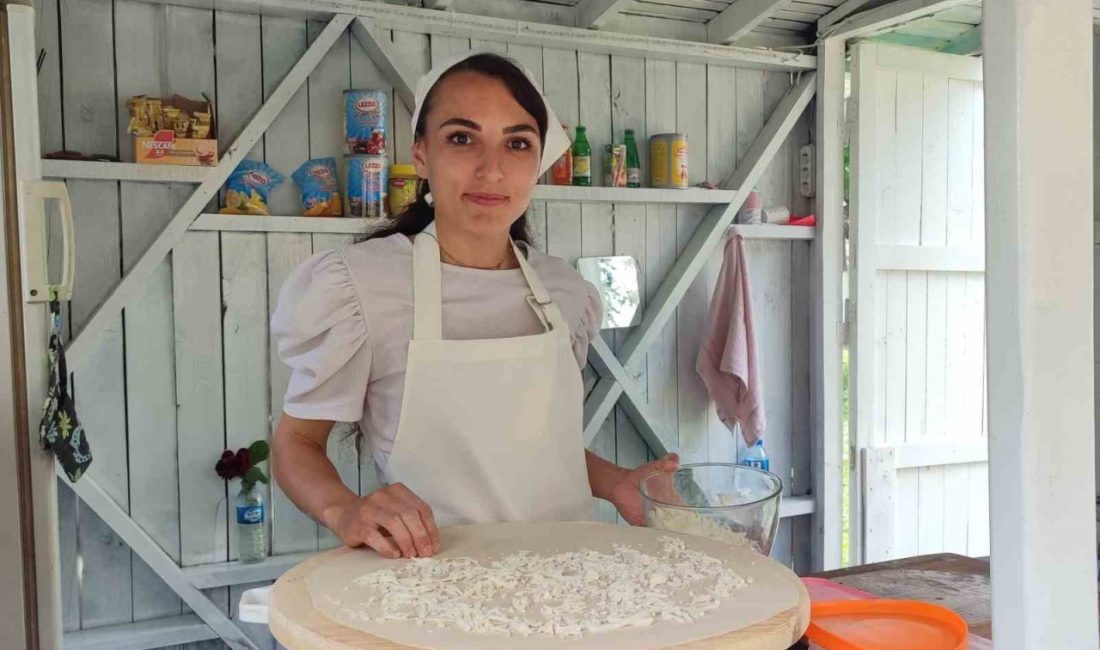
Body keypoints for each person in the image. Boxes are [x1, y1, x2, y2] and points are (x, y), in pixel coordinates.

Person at [270, 51, 679, 561]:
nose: (492, 169)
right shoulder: (359, 287)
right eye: (462, 138)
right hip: (431, 586)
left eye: (517, 143)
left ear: (537, 162)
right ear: (421, 155)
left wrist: (618, 483)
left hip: (570, 579)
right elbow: (296, 444)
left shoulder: (565, 294)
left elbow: (525, 447)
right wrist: (344, 510)